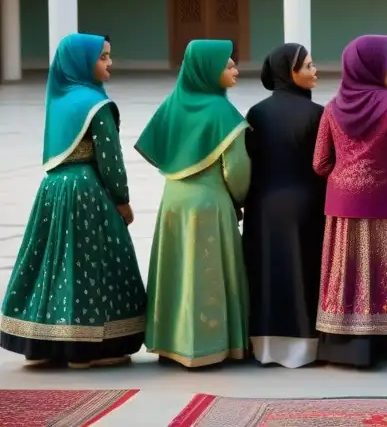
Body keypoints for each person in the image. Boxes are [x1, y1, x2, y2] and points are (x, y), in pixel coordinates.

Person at [0, 34, 146, 368]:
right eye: (103, 57)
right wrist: (121, 201)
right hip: (86, 190)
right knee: (90, 264)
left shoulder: (59, 100)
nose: (110, 63)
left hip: (53, 190)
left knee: (56, 262)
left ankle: (46, 345)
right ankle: (88, 350)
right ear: (83, 62)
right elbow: (111, 160)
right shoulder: (96, 105)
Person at [136, 39, 250, 368]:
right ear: (209, 71)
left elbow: (157, 148)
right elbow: (237, 171)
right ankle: (211, 346)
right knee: (207, 274)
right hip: (209, 203)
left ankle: (171, 344)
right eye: (228, 66)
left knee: (177, 271)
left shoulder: (172, 104)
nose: (235, 70)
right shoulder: (223, 113)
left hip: (173, 201)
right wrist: (238, 200)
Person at [314, 35, 387, 367]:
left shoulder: (332, 108)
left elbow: (319, 163)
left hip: (343, 207)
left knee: (349, 272)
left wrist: (346, 180)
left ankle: (345, 345)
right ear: (374, 67)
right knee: (384, 270)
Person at [243, 43, 325, 368]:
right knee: (303, 273)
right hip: (306, 204)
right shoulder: (317, 114)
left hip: (262, 206)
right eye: (308, 66)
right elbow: (323, 165)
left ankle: (265, 347)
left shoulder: (256, 113)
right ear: (290, 73)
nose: (314, 70)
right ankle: (305, 348)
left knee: (267, 273)